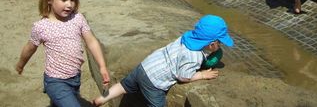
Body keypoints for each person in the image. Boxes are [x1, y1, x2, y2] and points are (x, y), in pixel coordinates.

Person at [92, 14, 234, 107]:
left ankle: (102, 99)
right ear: (212, 44)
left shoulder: (186, 37)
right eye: (220, 42)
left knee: (123, 86)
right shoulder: (194, 56)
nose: (220, 45)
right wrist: (202, 75)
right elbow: (183, 76)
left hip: (145, 66)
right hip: (154, 82)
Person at [16, 0, 110, 107]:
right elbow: (30, 48)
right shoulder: (41, 27)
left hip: (75, 78)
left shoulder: (77, 18)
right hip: (55, 81)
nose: (70, 5)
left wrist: (102, 66)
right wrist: (21, 64)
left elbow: (91, 41)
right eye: (64, 0)